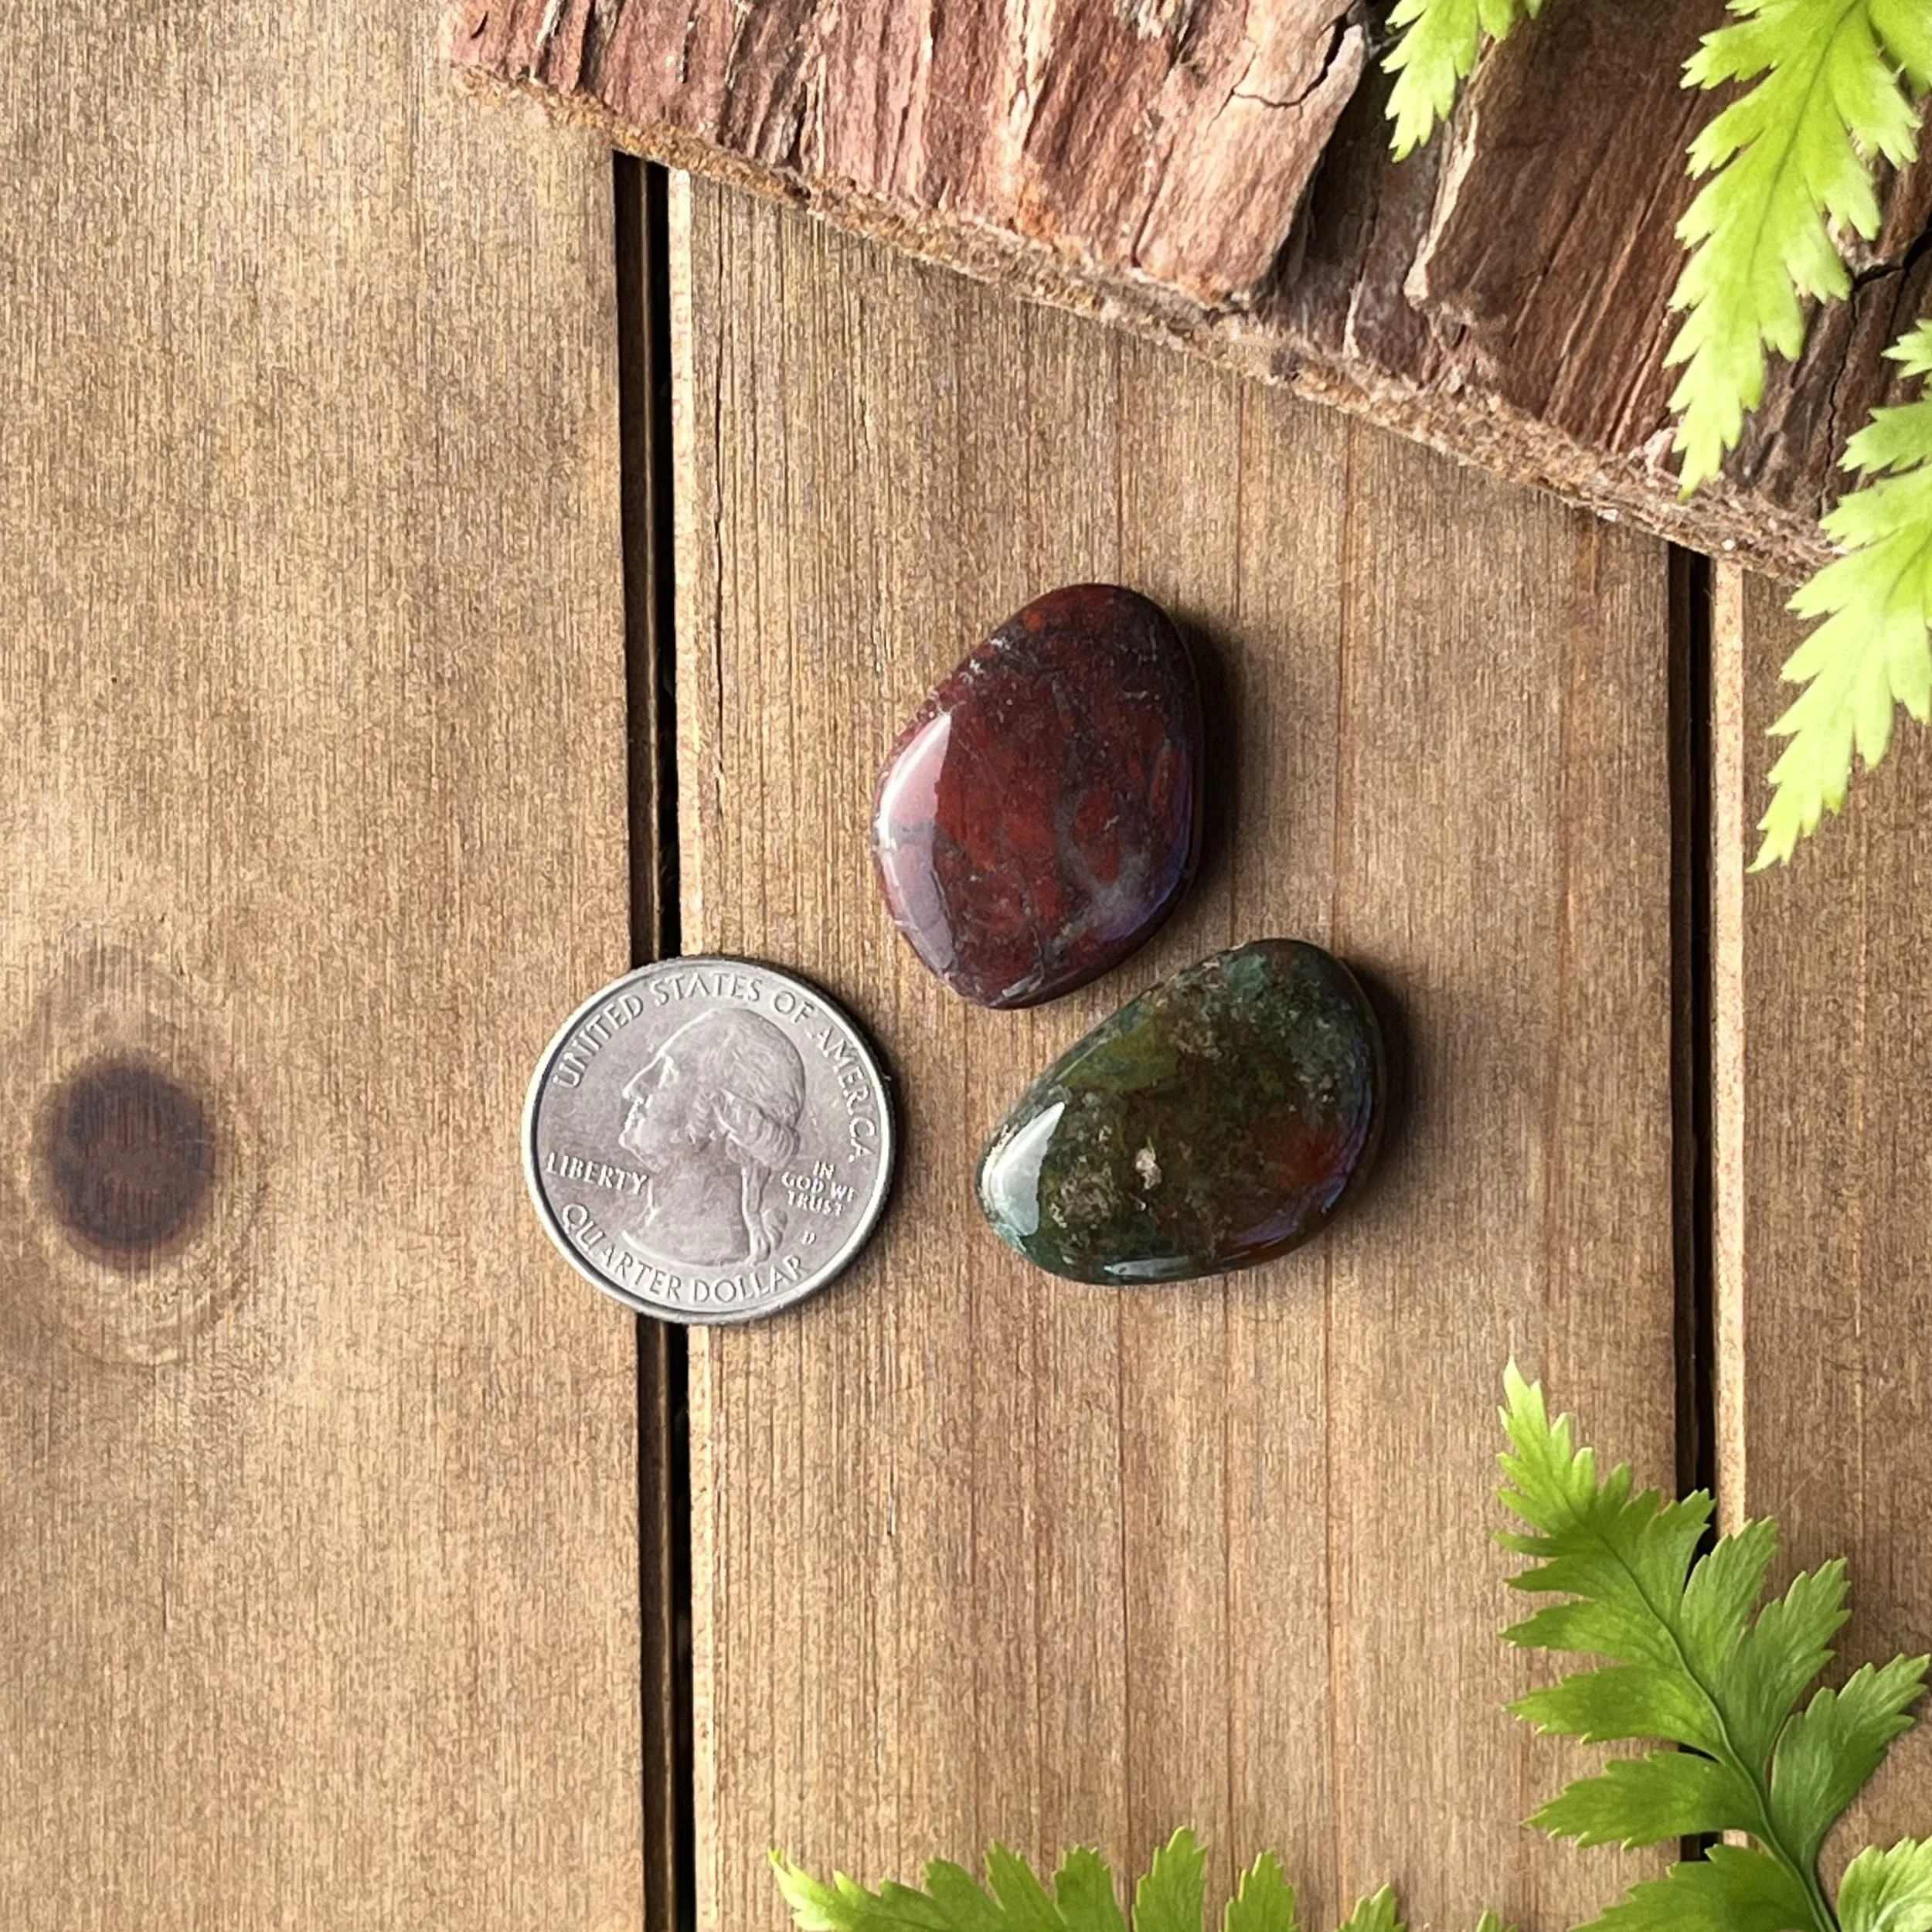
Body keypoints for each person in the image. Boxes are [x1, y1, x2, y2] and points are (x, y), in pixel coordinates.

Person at [616, 1007, 807, 1268]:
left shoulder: (702, 1249)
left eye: (669, 1071)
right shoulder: (650, 1234)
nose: (633, 1088)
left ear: (722, 1115)